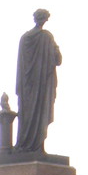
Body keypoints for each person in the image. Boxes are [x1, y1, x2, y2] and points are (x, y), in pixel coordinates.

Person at [14, 9, 61, 153]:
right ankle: (38, 146)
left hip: (26, 85)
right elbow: (58, 60)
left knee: (26, 114)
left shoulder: (24, 38)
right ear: (44, 20)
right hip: (41, 85)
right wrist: (56, 48)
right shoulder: (47, 37)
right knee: (40, 114)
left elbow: (21, 65)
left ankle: (25, 144)